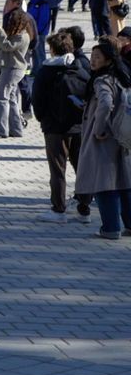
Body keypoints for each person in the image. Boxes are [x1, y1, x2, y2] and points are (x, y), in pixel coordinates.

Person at [76, 38, 131, 239]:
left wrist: (99, 128)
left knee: (103, 182)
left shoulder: (102, 80)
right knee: (125, 182)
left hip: (105, 138)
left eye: (97, 57)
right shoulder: (122, 78)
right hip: (123, 135)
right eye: (92, 56)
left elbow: (106, 103)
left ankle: (110, 228)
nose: (92, 60)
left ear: (108, 60)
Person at [33, 32, 89, 220]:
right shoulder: (79, 68)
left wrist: (43, 119)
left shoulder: (46, 71)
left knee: (58, 170)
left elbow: (37, 100)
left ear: (52, 50)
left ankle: (59, 209)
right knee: (81, 168)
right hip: (78, 126)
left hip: (55, 129)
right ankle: (84, 208)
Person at [0, 9, 32, 138]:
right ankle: (16, 130)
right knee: (11, 99)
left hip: (13, 69)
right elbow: (0, 44)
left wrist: (0, 31)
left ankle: (1, 130)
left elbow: (7, 46)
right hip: (9, 67)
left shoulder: (22, 36)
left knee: (1, 98)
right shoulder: (14, 33)